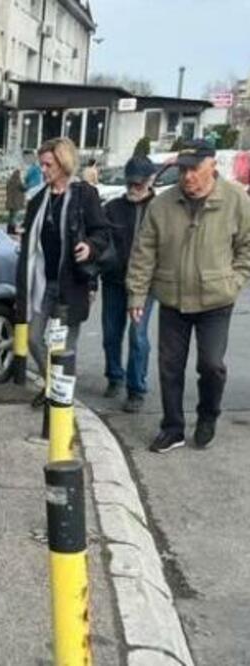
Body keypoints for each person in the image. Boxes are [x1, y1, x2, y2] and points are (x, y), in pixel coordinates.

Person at [126, 140, 250, 452]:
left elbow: (247, 246)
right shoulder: (162, 204)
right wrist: (137, 295)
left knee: (211, 365)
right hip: (172, 298)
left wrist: (234, 281)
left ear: (212, 167)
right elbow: (144, 252)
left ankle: (208, 415)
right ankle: (173, 428)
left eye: (194, 168)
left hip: (215, 300)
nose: (187, 176)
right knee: (169, 366)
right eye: (183, 169)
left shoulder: (236, 199)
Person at [16, 137, 111, 408]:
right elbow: (30, 246)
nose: (43, 170)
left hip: (72, 284)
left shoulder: (84, 195)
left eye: (48, 164)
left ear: (63, 162)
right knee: (34, 338)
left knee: (64, 348)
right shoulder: (38, 200)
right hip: (43, 284)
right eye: (41, 164)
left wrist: (90, 247)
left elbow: (102, 232)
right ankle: (53, 385)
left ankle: (59, 398)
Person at [100, 156, 157, 412]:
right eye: (130, 183)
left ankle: (136, 389)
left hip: (144, 285)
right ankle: (114, 375)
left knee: (138, 336)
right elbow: (100, 241)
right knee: (111, 333)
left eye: (138, 184)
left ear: (150, 181)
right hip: (114, 280)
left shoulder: (159, 208)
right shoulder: (112, 207)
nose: (133, 189)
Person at [6, 168, 26, 234]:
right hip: (16, 202)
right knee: (14, 217)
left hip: (10, 202)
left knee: (11, 216)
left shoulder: (9, 181)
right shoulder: (18, 181)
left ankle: (9, 229)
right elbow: (24, 188)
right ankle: (12, 230)